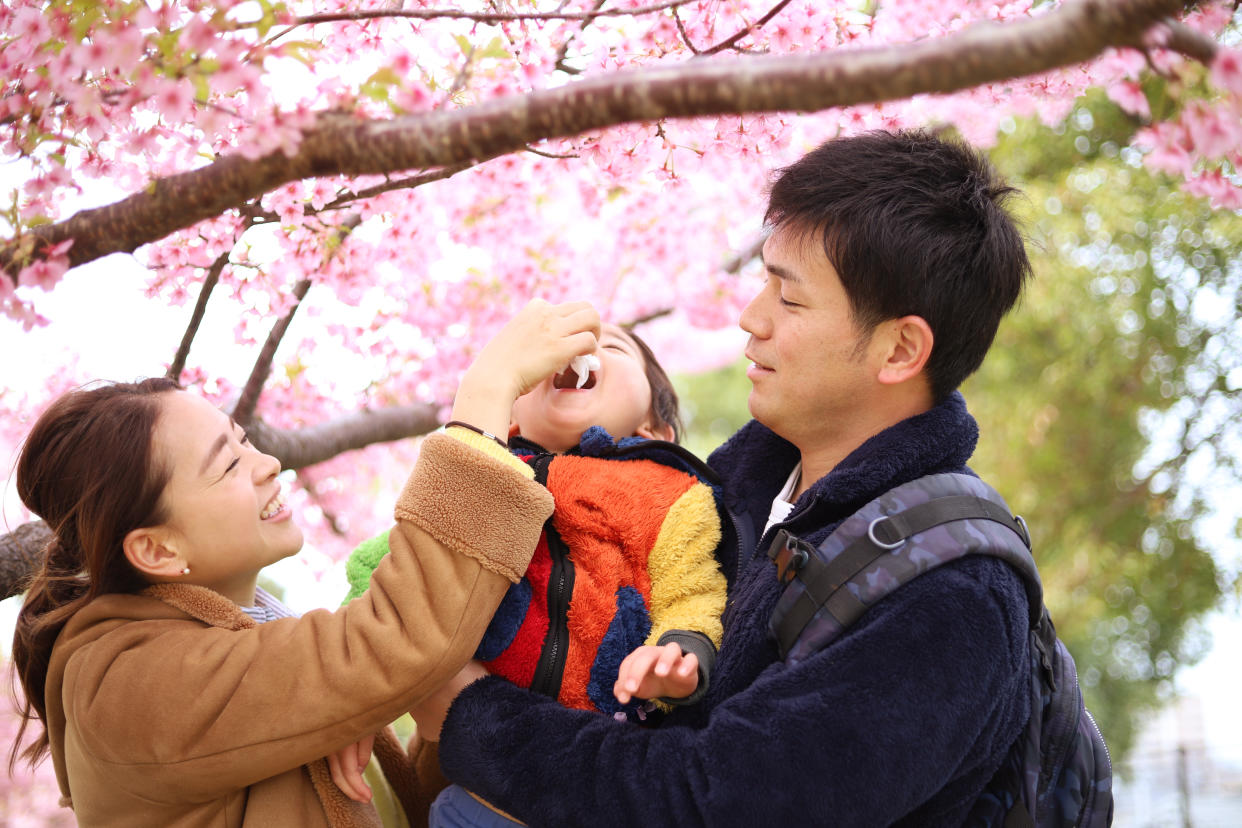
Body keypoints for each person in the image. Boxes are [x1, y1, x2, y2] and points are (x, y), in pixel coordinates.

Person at [414, 129, 1038, 826]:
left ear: (899, 349)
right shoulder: (735, 497)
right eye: (763, 280)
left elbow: (712, 802)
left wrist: (472, 714)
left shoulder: (954, 600)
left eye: (790, 299)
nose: (750, 318)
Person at [8, 299, 600, 827]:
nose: (264, 462)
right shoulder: (122, 687)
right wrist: (486, 396)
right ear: (158, 550)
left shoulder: (261, 638)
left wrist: (414, 714)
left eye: (242, 440)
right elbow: (389, 642)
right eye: (227, 465)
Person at [341, 323, 730, 827]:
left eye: (612, 346)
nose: (583, 349)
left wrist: (681, 651)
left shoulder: (673, 496)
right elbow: (382, 568)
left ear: (654, 429)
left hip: (604, 763)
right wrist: (355, 698)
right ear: (512, 414)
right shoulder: (488, 479)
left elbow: (693, 592)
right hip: (476, 776)